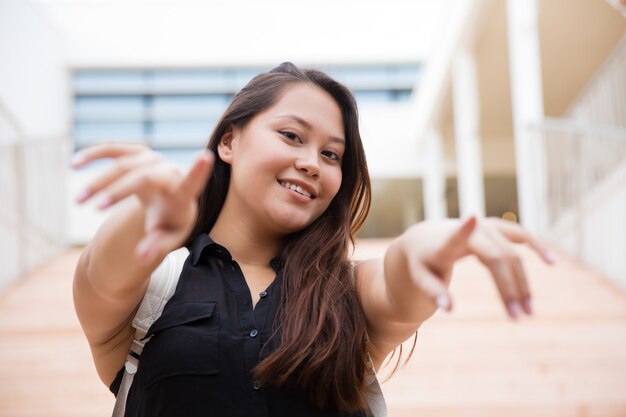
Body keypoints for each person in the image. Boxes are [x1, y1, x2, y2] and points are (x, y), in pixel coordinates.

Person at [72, 62, 555, 417]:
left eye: (331, 154)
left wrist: (435, 239)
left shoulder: (348, 293)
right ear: (229, 142)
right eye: (291, 135)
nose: (311, 162)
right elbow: (103, 273)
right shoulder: (155, 286)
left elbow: (399, 274)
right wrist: (148, 215)